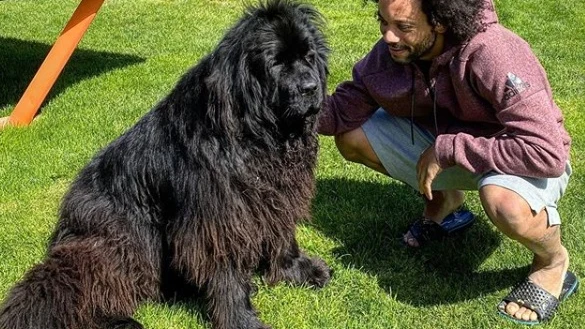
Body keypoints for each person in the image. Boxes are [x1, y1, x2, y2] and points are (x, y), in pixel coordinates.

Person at [318, 0, 579, 324]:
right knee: (352, 136)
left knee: (505, 204)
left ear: (440, 22)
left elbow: (546, 153)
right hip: (447, 147)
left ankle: (553, 262)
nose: (388, 37)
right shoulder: (389, 56)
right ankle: (447, 204)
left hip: (520, 154)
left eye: (404, 27)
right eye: (383, 21)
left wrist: (451, 149)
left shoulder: (493, 53)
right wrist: (270, 108)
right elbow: (341, 112)